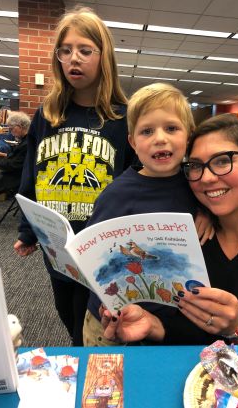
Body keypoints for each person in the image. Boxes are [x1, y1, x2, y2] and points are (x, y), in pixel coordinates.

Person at [100, 113, 238, 345]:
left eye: (222, 160)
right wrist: (153, 325)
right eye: (195, 166)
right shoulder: (193, 238)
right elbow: (193, 330)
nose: (208, 178)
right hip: (195, 377)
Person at [13, 6, 136, 346]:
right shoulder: (47, 114)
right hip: (56, 245)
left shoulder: (121, 118)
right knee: (67, 317)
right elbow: (31, 174)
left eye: (84, 50)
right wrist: (27, 229)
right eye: (65, 51)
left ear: (103, 56)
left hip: (101, 248)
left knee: (94, 328)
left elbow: (136, 180)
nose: (73, 59)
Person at [83, 82, 211, 346]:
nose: (160, 138)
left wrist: (208, 213)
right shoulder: (117, 194)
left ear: (188, 136)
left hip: (169, 320)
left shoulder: (196, 185)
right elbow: (93, 253)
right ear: (133, 141)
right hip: (114, 320)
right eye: (147, 131)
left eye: (172, 128)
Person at [0, 111, 31, 198]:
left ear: (19, 127)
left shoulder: (26, 144)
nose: (10, 132)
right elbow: (17, 158)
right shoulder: (26, 140)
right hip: (16, 174)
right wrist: (2, 154)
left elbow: (13, 165)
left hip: (16, 179)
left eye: (11, 129)